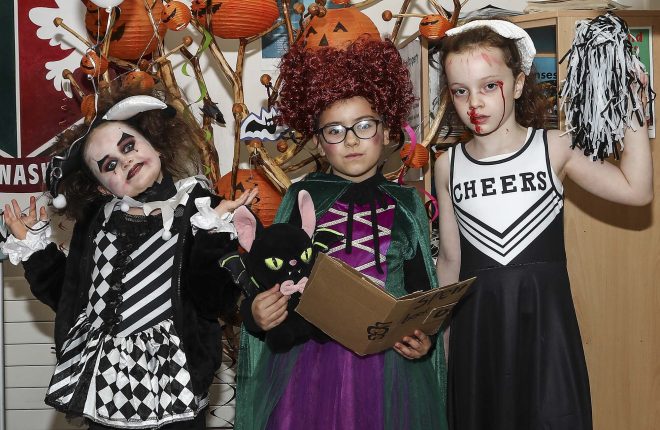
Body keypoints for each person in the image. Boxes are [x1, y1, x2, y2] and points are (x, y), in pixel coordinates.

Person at [434, 20, 653, 430]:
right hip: (478, 336)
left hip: (546, 333)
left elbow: (636, 190)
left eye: (489, 86)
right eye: (460, 91)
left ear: (517, 84)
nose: (474, 102)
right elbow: (449, 263)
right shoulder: (447, 166)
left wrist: (633, 105)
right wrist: (441, 351)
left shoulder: (554, 147)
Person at [1, 89, 256, 429]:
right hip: (105, 382)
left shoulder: (202, 211)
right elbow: (69, 297)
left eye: (128, 146)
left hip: (173, 380)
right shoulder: (97, 223)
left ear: (155, 144)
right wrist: (34, 249)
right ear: (102, 187)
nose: (125, 161)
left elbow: (214, 301)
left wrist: (213, 232)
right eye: (109, 165)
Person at [235, 37, 448, 430]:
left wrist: (424, 337)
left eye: (364, 126)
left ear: (388, 132)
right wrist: (255, 313)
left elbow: (421, 287)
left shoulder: (407, 202)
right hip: (310, 367)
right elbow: (265, 274)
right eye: (335, 130)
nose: (350, 139)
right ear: (319, 143)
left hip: (388, 370)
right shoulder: (304, 197)